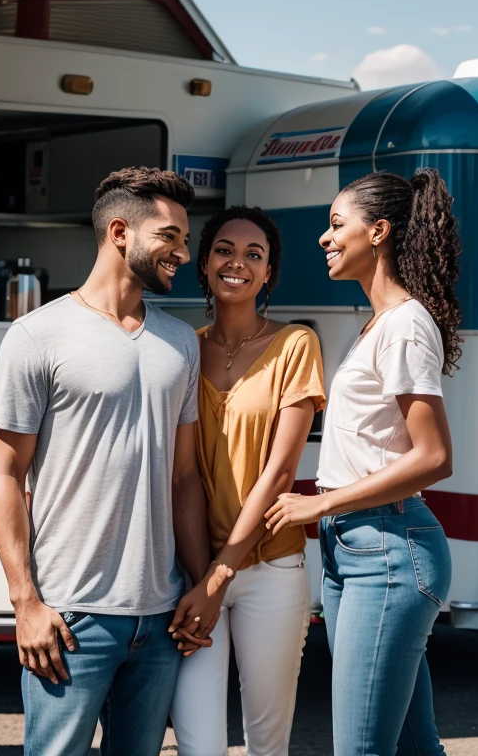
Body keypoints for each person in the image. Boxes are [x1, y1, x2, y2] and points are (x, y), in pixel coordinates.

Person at [0, 166, 218, 756]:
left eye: (184, 240)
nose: (184, 254)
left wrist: (200, 585)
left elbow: (185, 477)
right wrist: (25, 603)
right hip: (70, 618)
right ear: (121, 232)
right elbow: (5, 475)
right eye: (170, 237)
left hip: (160, 616)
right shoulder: (36, 336)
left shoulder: (180, 341)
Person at [265, 169, 461, 756]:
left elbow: (434, 456)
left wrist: (322, 500)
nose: (325, 238)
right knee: (414, 748)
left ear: (378, 231)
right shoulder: (379, 323)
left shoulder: (402, 326)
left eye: (335, 224)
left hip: (388, 549)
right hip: (358, 544)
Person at [169, 206, 326, 756]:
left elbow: (281, 471)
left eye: (253, 255)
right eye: (224, 250)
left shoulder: (296, 345)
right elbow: (182, 474)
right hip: (193, 570)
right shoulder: (183, 347)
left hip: (270, 569)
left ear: (268, 275)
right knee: (197, 743)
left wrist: (221, 576)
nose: (237, 263)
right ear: (205, 263)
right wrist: (201, 578)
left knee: (266, 741)